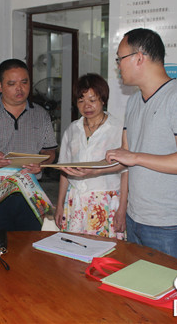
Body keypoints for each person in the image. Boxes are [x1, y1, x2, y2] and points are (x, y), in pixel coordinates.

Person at [105, 28, 177, 266]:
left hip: (169, 225)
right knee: (141, 292)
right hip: (135, 218)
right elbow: (126, 159)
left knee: (171, 296)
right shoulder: (134, 101)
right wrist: (88, 170)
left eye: (121, 59)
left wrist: (136, 157)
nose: (118, 65)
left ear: (139, 57)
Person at [0, 58, 58, 233]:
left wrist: (42, 163)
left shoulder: (41, 114)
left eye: (24, 82)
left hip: (29, 192)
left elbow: (50, 150)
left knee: (28, 247)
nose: (19, 88)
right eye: (11, 83)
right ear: (0, 85)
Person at [54, 73, 127, 239]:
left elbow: (126, 172)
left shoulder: (118, 129)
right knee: (74, 253)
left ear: (103, 100)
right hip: (75, 201)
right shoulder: (72, 130)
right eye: (81, 101)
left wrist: (122, 208)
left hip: (105, 202)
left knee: (103, 255)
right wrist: (59, 205)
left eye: (92, 100)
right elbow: (64, 170)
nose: (87, 106)